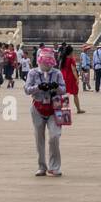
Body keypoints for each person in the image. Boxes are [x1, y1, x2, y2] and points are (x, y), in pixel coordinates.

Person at [25, 48, 66, 176]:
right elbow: (27, 89)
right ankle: (42, 166)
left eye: (49, 63)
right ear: (40, 61)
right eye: (44, 63)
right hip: (38, 107)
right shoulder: (33, 73)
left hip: (55, 108)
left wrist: (56, 87)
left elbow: (64, 90)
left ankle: (54, 166)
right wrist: (38, 87)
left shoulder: (57, 73)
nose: (46, 66)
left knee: (54, 136)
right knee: (39, 138)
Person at [59, 45, 83, 114]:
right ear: (71, 52)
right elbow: (74, 70)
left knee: (65, 94)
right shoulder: (71, 60)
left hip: (63, 78)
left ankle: (65, 108)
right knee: (75, 94)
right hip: (71, 79)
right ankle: (78, 109)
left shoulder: (63, 59)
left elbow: (60, 69)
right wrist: (77, 78)